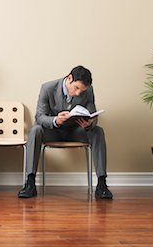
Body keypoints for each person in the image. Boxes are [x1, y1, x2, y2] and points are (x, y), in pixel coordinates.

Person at [18, 65, 113, 200]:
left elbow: (92, 114)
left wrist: (89, 124)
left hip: (76, 131)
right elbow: (39, 117)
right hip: (53, 131)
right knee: (35, 130)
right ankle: (30, 182)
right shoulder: (48, 88)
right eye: (77, 88)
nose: (79, 93)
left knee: (98, 131)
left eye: (82, 90)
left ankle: (102, 184)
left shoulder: (88, 91)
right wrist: (56, 120)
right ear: (69, 78)